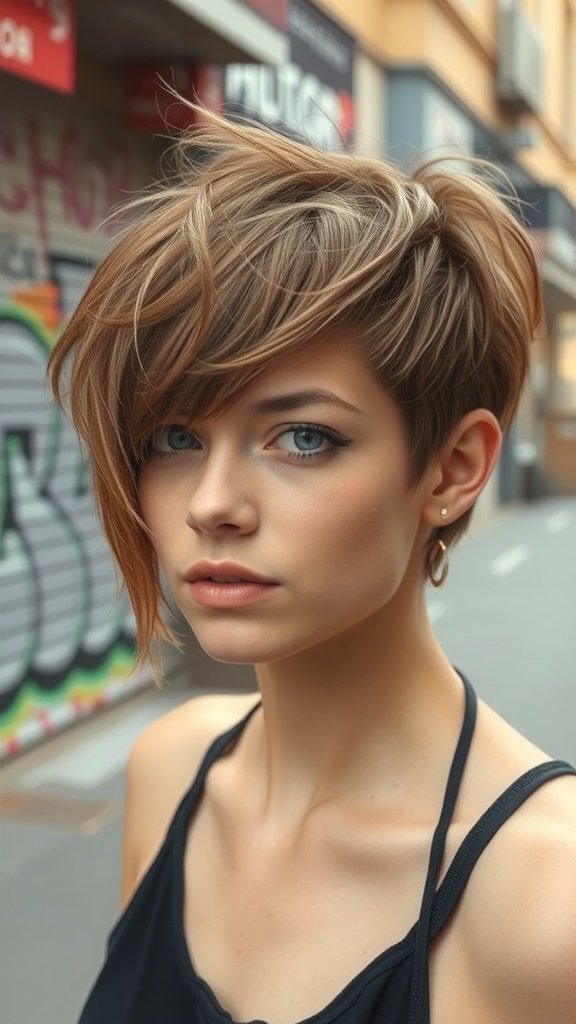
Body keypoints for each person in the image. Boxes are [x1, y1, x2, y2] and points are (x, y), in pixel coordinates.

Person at [48, 107, 576, 1024]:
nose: (213, 502)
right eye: (175, 436)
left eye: (302, 437)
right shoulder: (174, 771)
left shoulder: (545, 901)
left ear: (454, 469)